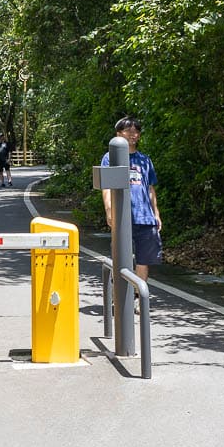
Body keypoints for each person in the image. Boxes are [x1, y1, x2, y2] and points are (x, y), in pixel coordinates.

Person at [100, 116, 162, 311]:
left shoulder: (145, 160)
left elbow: (150, 188)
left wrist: (156, 213)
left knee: (144, 258)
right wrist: (109, 211)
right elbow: (106, 187)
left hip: (145, 216)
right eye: (128, 131)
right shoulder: (111, 157)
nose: (133, 135)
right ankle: (117, 296)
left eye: (136, 131)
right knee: (120, 257)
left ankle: (137, 296)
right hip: (122, 217)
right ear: (118, 134)